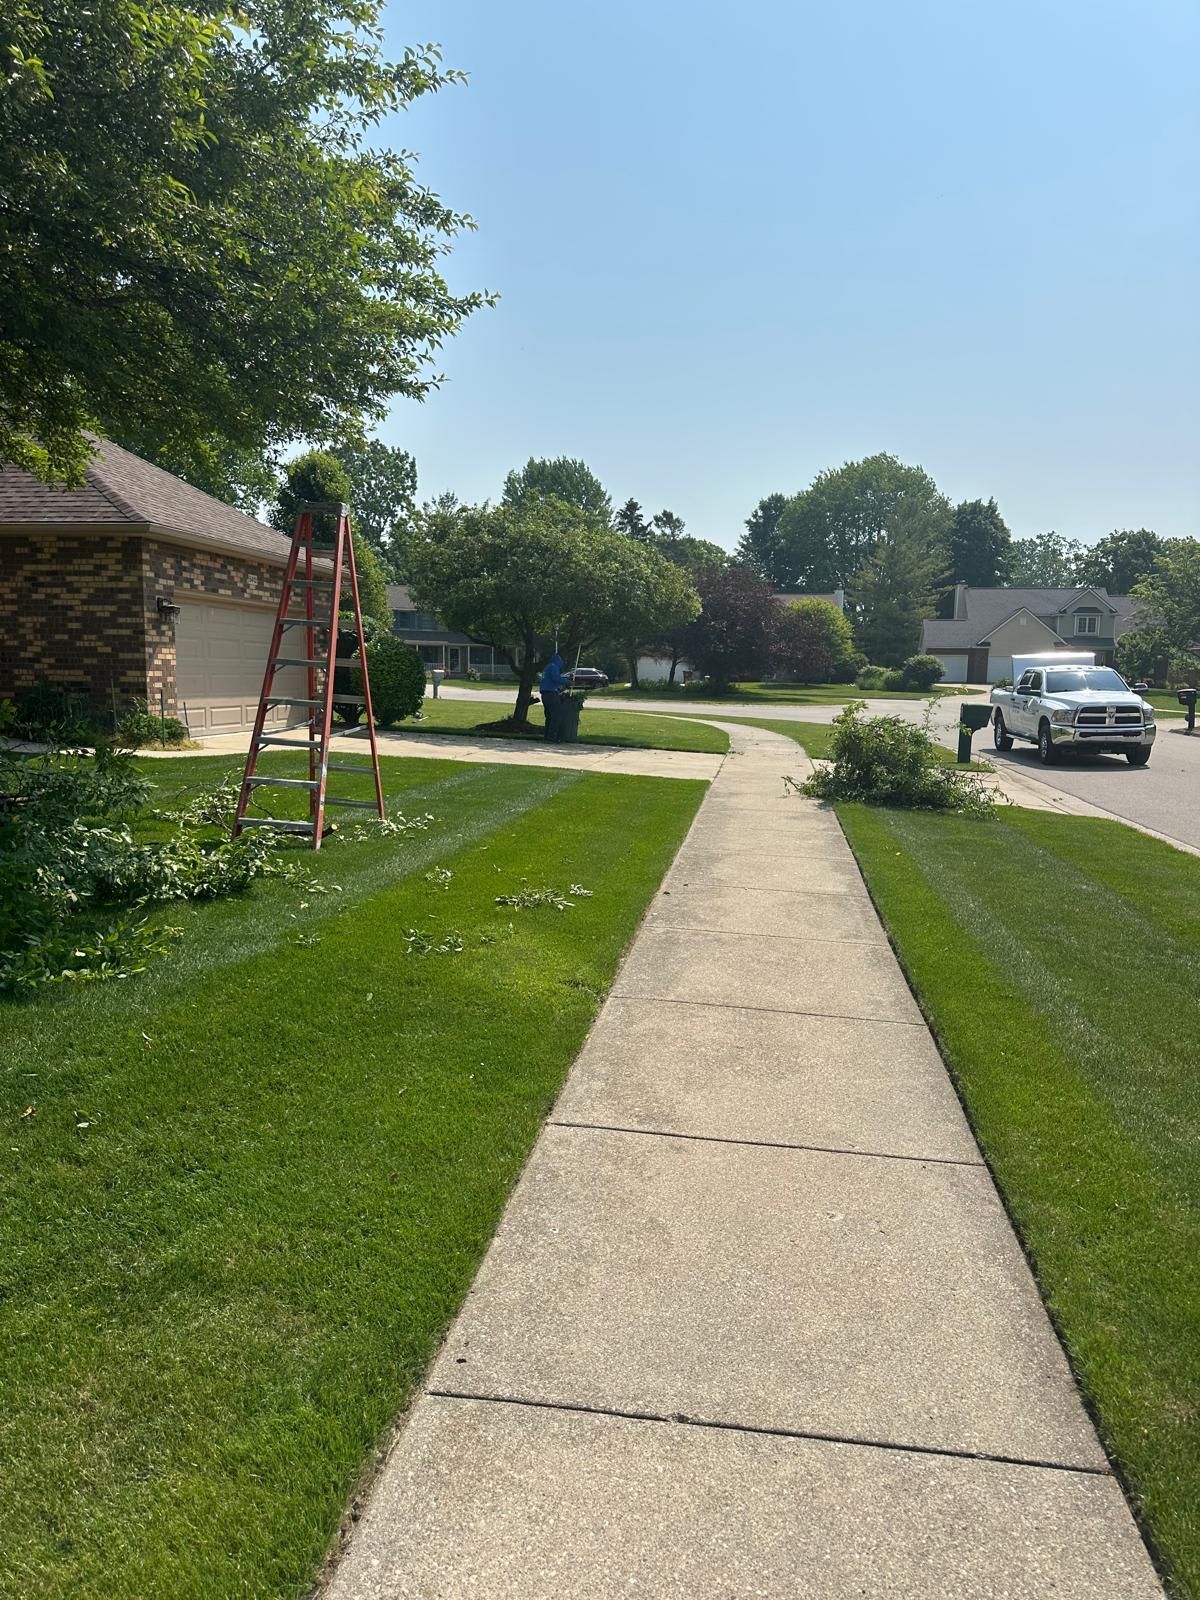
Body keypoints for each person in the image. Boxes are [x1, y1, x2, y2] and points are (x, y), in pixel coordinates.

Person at [539, 653, 566, 740]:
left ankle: (547, 736)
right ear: (559, 661)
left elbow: (550, 681)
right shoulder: (554, 667)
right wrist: (567, 682)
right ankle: (553, 736)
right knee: (556, 716)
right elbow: (556, 678)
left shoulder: (547, 667)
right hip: (551, 695)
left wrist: (558, 688)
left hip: (544, 694)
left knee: (549, 716)